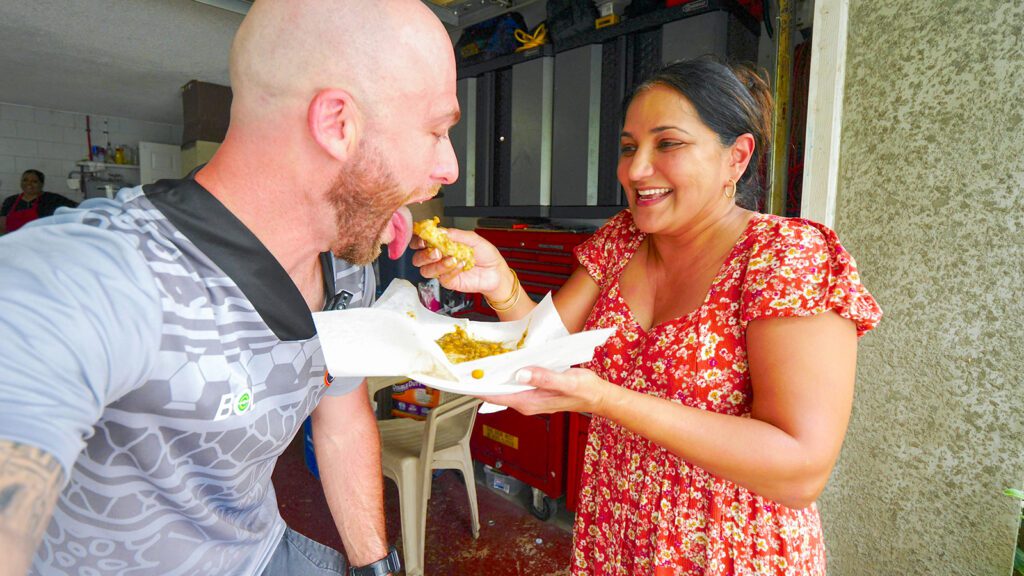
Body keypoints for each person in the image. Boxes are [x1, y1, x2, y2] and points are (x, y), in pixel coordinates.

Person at [0, 1, 459, 575]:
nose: (450, 167)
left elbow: (339, 417)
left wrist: (375, 567)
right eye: (438, 131)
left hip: (263, 552)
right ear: (337, 124)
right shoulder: (106, 271)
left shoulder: (348, 269)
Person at [414, 58, 882, 575]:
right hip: (615, 537)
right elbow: (544, 349)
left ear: (737, 157)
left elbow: (800, 470)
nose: (635, 170)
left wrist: (606, 399)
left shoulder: (785, 256)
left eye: (668, 144)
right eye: (629, 147)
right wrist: (501, 283)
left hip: (727, 551)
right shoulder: (621, 239)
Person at [0, 170, 77, 234]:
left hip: (41, 242)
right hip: (15, 242)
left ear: (41, 184)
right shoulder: (10, 200)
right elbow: (2, 224)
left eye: (34, 181)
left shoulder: (52, 199)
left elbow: (76, 208)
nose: (29, 184)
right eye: (25, 180)